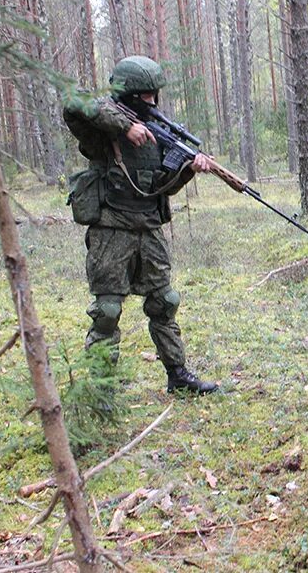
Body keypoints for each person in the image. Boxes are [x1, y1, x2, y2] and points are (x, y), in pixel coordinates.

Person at [63, 55, 217, 394]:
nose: (151, 101)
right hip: (110, 229)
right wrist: (125, 127)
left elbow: (162, 186)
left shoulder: (158, 133)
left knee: (165, 302)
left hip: (149, 229)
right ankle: (100, 391)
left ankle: (178, 375)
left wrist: (189, 169)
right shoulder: (103, 131)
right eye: (144, 95)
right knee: (107, 310)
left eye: (154, 94)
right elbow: (74, 101)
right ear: (127, 96)